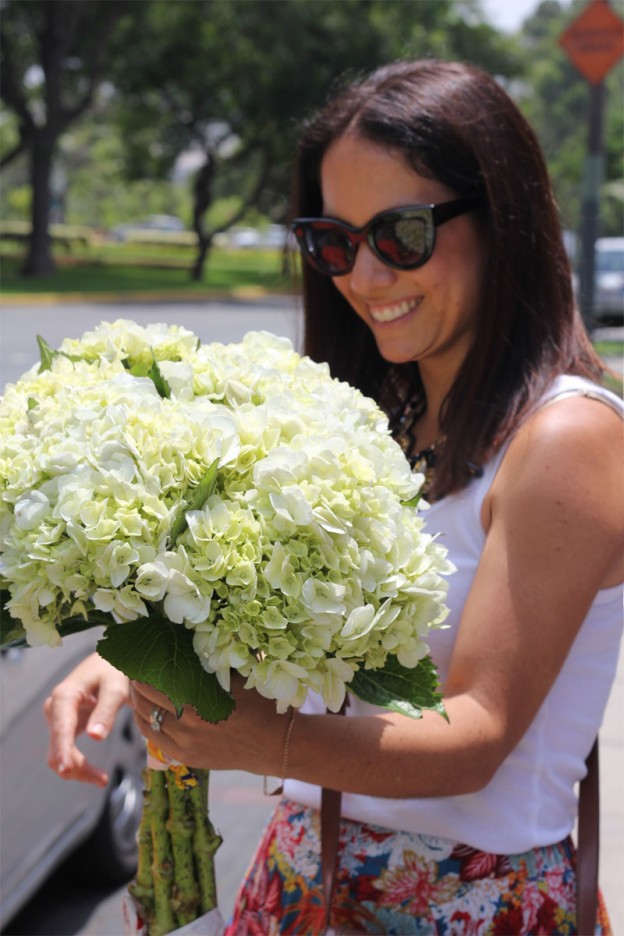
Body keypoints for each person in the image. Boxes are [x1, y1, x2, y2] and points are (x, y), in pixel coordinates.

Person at [44, 59, 622, 934]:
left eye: (402, 234)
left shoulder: (567, 438)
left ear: (501, 218)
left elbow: (477, 731)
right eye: (332, 241)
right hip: (304, 873)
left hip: (461, 904)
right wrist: (145, 651)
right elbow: (291, 635)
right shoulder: (375, 419)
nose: (364, 277)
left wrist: (259, 741)